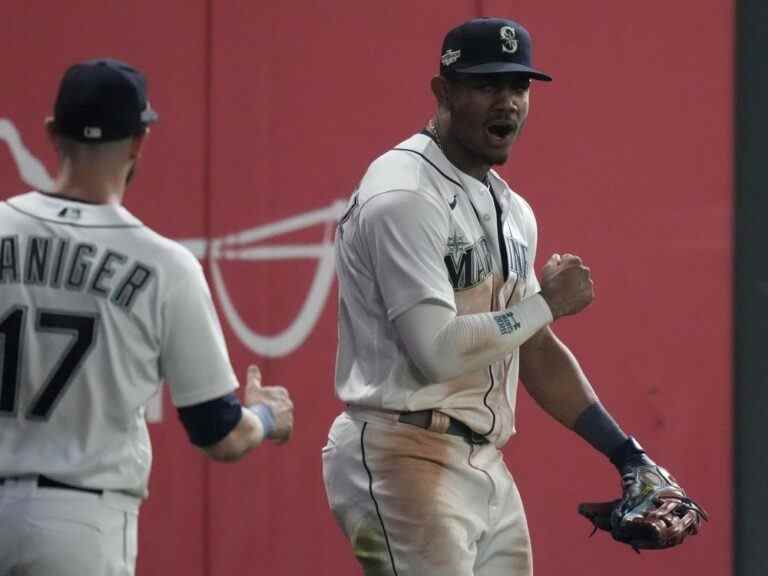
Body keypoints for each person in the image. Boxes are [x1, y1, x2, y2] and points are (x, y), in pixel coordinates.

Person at [322, 17, 699, 575]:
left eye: (518, 87)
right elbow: (437, 353)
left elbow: (532, 347)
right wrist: (546, 301)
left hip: (482, 461)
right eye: (486, 85)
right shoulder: (404, 193)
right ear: (442, 91)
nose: (508, 102)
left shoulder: (509, 207)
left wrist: (627, 455)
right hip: (402, 451)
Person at [0, 58, 294, 576]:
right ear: (138, 143)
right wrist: (268, 418)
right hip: (81, 523)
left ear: (50, 132)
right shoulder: (164, 265)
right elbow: (219, 434)